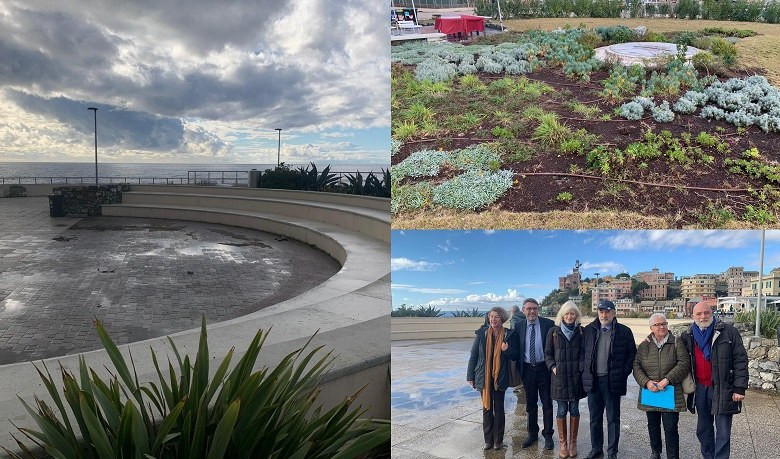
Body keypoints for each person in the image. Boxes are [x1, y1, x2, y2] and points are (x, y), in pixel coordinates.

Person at [679, 301, 748, 459]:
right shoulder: (687, 336)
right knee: (703, 430)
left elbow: (740, 360)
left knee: (723, 432)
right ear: (693, 316)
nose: (703, 316)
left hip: (723, 388)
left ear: (712, 313)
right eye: (699, 314)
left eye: (706, 313)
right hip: (700, 389)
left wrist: (739, 388)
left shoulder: (728, 332)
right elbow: (679, 359)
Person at [580, 300, 637, 459]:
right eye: (601, 312)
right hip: (593, 381)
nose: (604, 315)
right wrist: (583, 369)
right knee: (594, 418)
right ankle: (596, 449)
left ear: (614, 313)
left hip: (612, 381)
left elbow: (631, 354)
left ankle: (612, 452)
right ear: (597, 313)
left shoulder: (624, 331)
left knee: (613, 419)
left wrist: (624, 372)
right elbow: (582, 352)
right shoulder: (588, 330)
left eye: (607, 312)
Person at [633, 313, 690, 459]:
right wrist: (646, 382)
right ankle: (655, 451)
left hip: (670, 391)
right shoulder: (644, 345)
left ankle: (672, 456)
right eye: (658, 325)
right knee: (653, 425)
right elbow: (636, 365)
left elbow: (684, 364)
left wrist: (667, 380)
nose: (662, 327)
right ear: (651, 328)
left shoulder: (676, 342)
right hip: (650, 391)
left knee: (670, 428)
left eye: (664, 323)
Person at [467, 306, 519, 450]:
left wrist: (507, 349)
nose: (493, 319)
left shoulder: (509, 334)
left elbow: (515, 355)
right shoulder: (482, 334)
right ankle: (488, 441)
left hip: (499, 377)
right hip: (483, 377)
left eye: (496, 316)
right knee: (486, 408)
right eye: (491, 316)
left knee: (499, 409)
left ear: (502, 319)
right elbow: (474, 356)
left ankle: (498, 441)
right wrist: (470, 375)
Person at [544, 300, 585, 458]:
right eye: (567, 313)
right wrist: (553, 367)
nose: (569, 316)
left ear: (576, 315)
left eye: (572, 313)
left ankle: (573, 443)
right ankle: (563, 443)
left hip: (575, 378)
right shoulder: (553, 332)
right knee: (561, 411)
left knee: (574, 410)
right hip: (559, 379)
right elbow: (547, 354)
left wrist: (580, 367)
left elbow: (584, 352)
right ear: (562, 315)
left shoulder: (581, 331)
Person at [514, 298, 556, 450]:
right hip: (527, 370)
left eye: (535, 308)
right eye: (529, 308)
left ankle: (548, 435)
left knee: (547, 404)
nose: (532, 311)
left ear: (538, 309)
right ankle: (532, 434)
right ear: (523, 310)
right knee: (530, 404)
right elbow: (515, 349)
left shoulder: (548, 324)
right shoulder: (518, 326)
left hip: (544, 369)